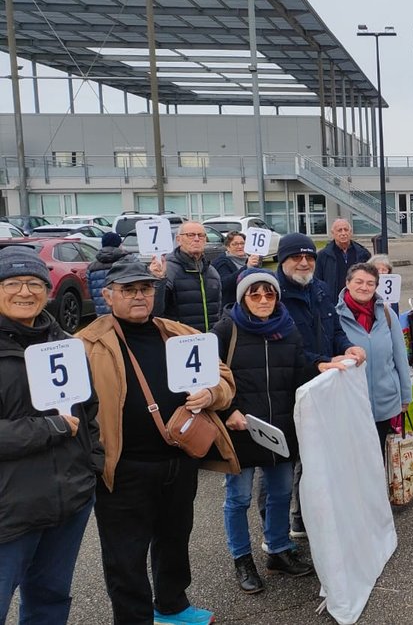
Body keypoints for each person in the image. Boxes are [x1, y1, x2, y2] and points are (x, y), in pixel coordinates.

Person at [78, 256, 240, 624]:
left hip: (179, 460)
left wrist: (211, 394)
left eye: (145, 289)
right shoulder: (86, 344)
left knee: (175, 538)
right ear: (107, 294)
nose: (139, 296)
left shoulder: (179, 333)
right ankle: (133, 618)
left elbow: (225, 378)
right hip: (123, 467)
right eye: (129, 290)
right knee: (125, 555)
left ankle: (172, 605)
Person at [0, 246, 101, 625]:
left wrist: (92, 465)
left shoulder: (63, 342)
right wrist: (50, 427)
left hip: (67, 502)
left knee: (51, 600)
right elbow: (62, 422)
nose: (25, 292)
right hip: (8, 510)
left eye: (34, 283)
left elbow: (87, 410)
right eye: (12, 283)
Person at [212, 269, 328, 595]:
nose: (264, 300)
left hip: (278, 428)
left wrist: (323, 363)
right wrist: (227, 410)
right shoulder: (226, 330)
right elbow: (208, 375)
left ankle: (277, 549)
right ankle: (241, 558)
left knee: (280, 493)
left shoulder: (286, 328)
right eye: (255, 294)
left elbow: (299, 364)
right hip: (239, 427)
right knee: (238, 498)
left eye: (269, 294)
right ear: (243, 298)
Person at [274, 232, 366, 540]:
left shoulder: (321, 289)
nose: (303, 263)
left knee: (319, 459)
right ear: (282, 260)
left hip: (324, 385)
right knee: (282, 468)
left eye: (309, 257)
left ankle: (306, 518)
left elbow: (334, 329)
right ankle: (277, 536)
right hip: (286, 390)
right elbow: (283, 346)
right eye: (296, 257)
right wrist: (317, 361)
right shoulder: (272, 295)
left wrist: (348, 346)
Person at [336, 263, 413, 449]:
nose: (364, 287)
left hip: (384, 401)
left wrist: (405, 396)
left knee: (379, 455)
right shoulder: (335, 316)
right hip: (350, 405)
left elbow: (400, 357)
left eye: (370, 283)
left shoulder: (387, 315)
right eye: (359, 282)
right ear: (347, 283)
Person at [150, 220, 222, 332]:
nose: (197, 239)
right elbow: (155, 311)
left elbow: (218, 310)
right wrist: (158, 280)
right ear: (179, 240)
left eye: (201, 235)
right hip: (179, 339)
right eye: (191, 235)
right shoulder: (168, 269)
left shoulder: (211, 271)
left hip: (210, 340)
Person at [316, 218, 370, 293]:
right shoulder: (323, 255)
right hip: (333, 301)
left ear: (350, 232)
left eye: (346, 230)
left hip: (357, 299)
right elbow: (317, 281)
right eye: (339, 230)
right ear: (333, 233)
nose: (343, 233)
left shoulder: (363, 253)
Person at [212, 231, 261, 308]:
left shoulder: (251, 259)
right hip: (231, 306)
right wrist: (246, 267)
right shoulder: (222, 262)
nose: (240, 246)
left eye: (242, 243)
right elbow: (224, 284)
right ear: (228, 247)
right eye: (235, 244)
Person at [88, 230, 128, 316]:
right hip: (124, 310)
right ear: (118, 245)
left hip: (101, 311)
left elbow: (90, 292)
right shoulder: (127, 262)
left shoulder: (92, 266)